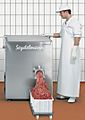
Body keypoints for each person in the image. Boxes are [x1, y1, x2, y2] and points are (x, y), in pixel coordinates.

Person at [53, 4, 82, 103]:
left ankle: (72, 95)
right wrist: (49, 35)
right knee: (64, 71)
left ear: (66, 12)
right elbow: (60, 34)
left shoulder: (75, 22)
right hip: (64, 52)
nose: (60, 14)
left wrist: (75, 48)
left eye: (61, 13)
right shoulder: (65, 23)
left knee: (72, 72)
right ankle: (64, 93)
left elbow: (77, 36)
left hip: (72, 52)